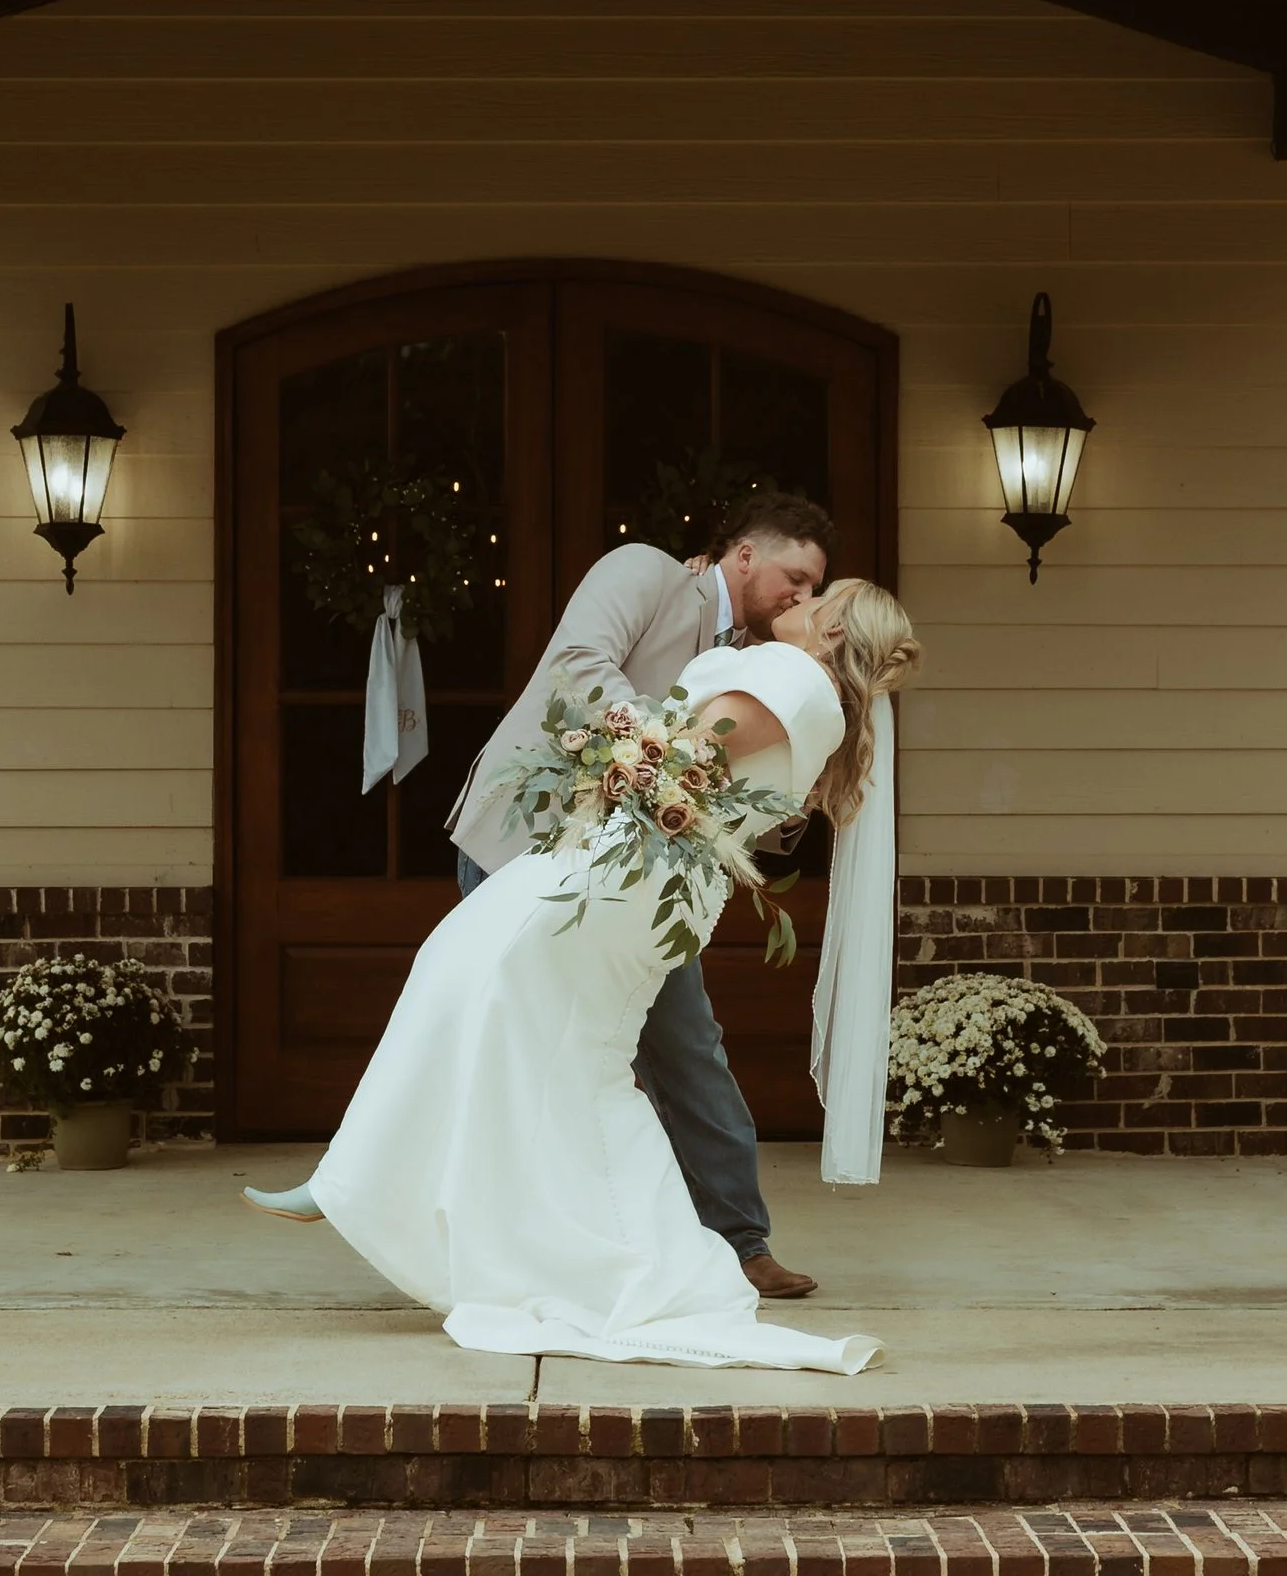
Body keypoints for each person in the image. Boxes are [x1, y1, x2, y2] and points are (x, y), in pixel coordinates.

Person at [246, 581, 922, 1374]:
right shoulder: (813, 697)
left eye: (820, 593)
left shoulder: (793, 677)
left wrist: (612, 747)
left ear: (834, 623)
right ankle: (384, 1185)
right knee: (522, 1025)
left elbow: (686, 758)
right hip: (635, 873)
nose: (804, 595)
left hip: (624, 877)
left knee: (524, 1017)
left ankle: (416, 1197)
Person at [445, 492, 834, 1301]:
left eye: (815, 590)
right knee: (504, 1042)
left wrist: (795, 801)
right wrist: (674, 752)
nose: (801, 599)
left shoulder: (771, 663)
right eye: (794, 579)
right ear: (745, 556)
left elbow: (748, 799)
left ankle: (740, 1242)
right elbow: (579, 667)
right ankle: (471, 1231)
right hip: (528, 844)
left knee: (688, 1042)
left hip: (648, 883)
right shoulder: (645, 572)